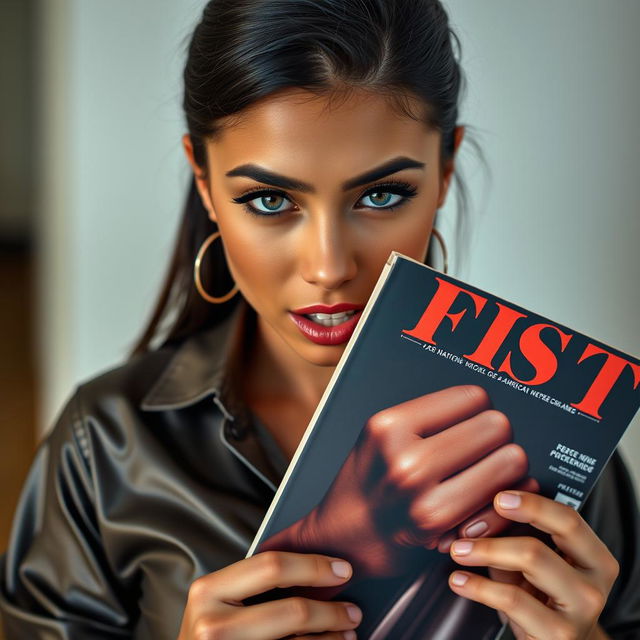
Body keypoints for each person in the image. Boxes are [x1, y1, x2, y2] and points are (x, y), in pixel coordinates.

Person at [1, 0, 639, 638]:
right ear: (203, 181)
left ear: (445, 172)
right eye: (270, 199)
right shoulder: (107, 445)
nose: (329, 266)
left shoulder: (564, 437)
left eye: (382, 195)